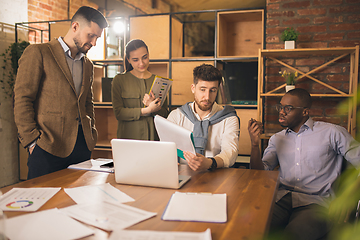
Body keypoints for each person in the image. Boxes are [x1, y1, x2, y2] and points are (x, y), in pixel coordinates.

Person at [247, 88, 360, 240]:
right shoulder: (277, 139)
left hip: (317, 203)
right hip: (281, 198)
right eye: (280, 107)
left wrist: (347, 199)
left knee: (292, 236)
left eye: (288, 108)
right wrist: (254, 145)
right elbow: (260, 173)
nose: (282, 112)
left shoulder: (333, 133)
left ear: (305, 112)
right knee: (251, 228)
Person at [14, 6, 108, 179]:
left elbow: (88, 103)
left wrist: (91, 135)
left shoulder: (88, 64)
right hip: (47, 146)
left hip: (82, 147)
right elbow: (22, 99)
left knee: (77, 201)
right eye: (91, 35)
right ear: (75, 27)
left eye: (97, 38)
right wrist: (32, 142)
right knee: (43, 202)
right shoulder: (39, 53)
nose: (94, 43)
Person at [167, 64, 240, 172]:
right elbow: (166, 149)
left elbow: (230, 153)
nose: (207, 97)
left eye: (213, 90)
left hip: (216, 174)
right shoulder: (176, 116)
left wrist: (209, 163)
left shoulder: (228, 118)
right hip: (181, 175)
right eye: (202, 89)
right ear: (193, 88)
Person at [112, 39, 168, 140]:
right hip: (129, 139)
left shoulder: (159, 81)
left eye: (144, 58)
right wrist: (147, 110)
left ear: (148, 55)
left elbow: (165, 115)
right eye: (135, 60)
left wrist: (156, 108)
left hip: (154, 140)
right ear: (128, 60)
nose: (141, 63)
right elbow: (119, 113)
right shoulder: (119, 80)